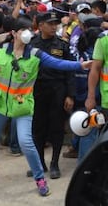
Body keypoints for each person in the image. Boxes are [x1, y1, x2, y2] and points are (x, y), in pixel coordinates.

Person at [0, 15, 92, 197]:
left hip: (22, 106)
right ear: (14, 33)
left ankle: (39, 177)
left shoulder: (36, 55)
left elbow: (59, 64)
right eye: (23, 30)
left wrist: (80, 65)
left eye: (30, 29)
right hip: (0, 104)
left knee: (26, 142)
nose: (28, 33)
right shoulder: (2, 51)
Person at [30, 12, 75, 179]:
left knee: (56, 128)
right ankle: (39, 162)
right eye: (50, 23)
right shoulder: (32, 44)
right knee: (37, 128)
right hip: (37, 91)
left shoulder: (62, 44)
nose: (54, 26)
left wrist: (70, 95)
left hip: (57, 90)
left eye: (56, 23)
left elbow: (70, 70)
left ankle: (54, 163)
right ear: (41, 26)